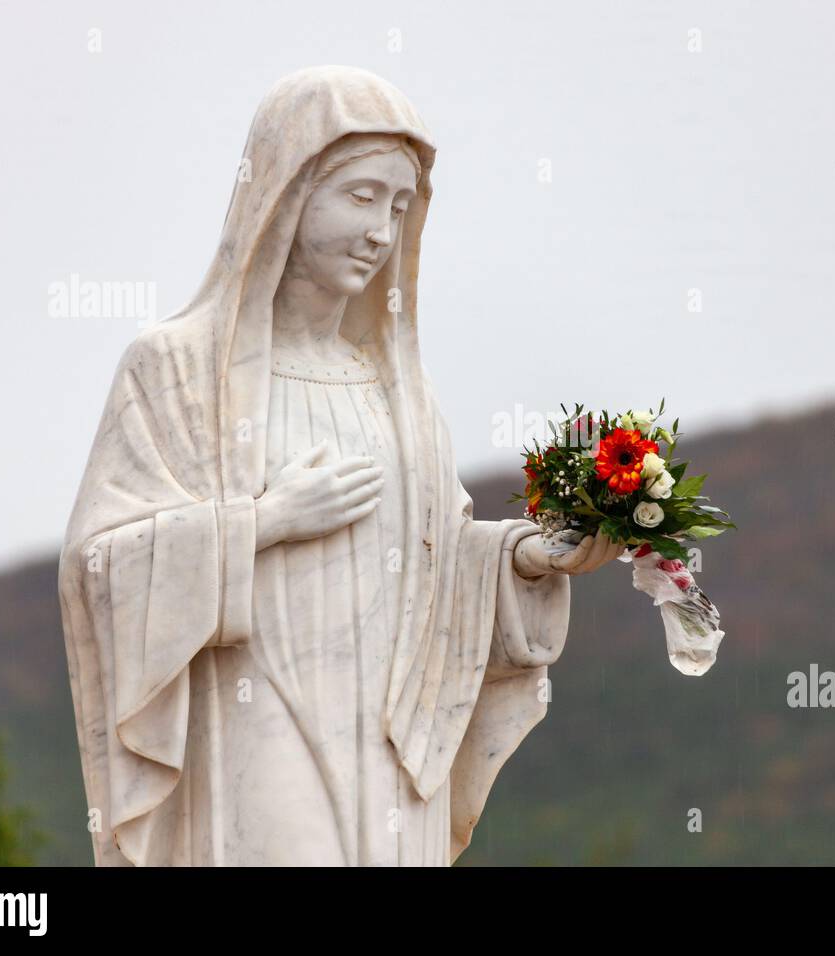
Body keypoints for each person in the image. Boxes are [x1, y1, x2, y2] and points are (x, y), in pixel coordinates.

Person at [57, 66, 623, 866]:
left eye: (398, 207)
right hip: (256, 717)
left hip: (389, 734)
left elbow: (438, 555)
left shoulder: (402, 394)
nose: (380, 233)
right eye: (359, 197)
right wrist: (266, 522)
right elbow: (100, 569)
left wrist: (528, 558)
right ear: (286, 195)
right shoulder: (178, 371)